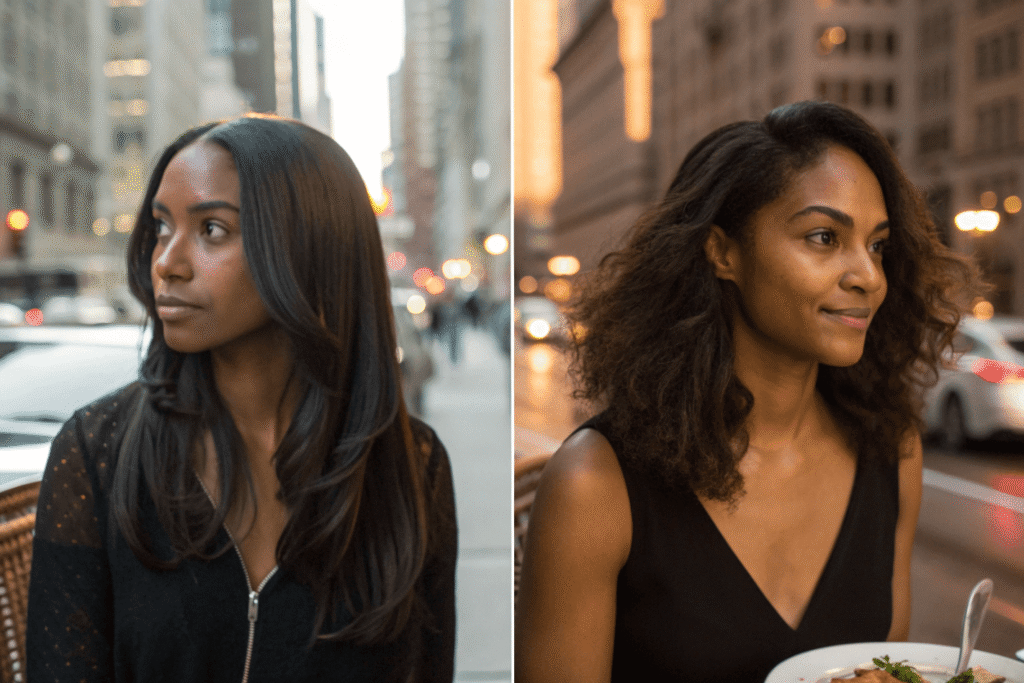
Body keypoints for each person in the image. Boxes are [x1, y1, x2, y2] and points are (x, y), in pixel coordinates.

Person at [515, 101, 983, 683]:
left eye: (878, 245)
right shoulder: (595, 484)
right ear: (723, 252)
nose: (869, 276)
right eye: (823, 237)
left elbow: (884, 669)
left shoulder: (893, 449)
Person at [26, 114, 458, 682]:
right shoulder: (97, 449)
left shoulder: (410, 463)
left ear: (309, 247)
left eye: (211, 230)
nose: (166, 263)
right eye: (161, 227)